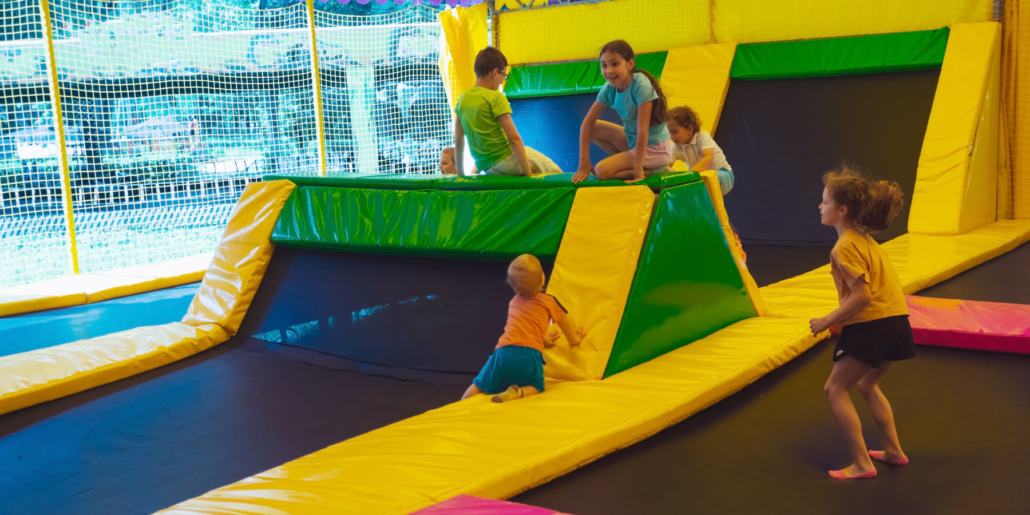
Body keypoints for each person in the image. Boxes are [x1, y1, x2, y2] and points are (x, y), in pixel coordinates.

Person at [809, 167, 913, 480]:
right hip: (898, 321)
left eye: (825, 202)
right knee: (867, 384)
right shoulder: (866, 241)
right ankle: (893, 451)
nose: (820, 206)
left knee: (835, 389)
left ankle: (861, 464)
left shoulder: (844, 246)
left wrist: (827, 320)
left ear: (842, 210)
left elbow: (862, 296)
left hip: (873, 325)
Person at [463, 255, 586, 403]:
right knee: (536, 385)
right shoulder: (549, 301)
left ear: (512, 285)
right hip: (529, 355)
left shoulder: (513, 302)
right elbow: (564, 324)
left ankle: (458, 407)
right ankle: (517, 392)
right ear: (542, 279)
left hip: (503, 353)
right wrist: (575, 340)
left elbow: (522, 327)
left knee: (478, 385)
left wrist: (542, 339)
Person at [572, 40, 672, 184]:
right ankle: (632, 162)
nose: (609, 70)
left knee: (601, 171)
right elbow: (587, 123)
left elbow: (643, 130)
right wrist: (584, 161)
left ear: (630, 64)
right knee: (593, 127)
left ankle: (654, 170)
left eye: (615, 64)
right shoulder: (609, 88)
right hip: (634, 143)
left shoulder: (641, 85)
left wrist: (637, 168)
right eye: (604, 65)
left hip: (654, 148)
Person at [454, 47, 562, 177]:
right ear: (495, 72)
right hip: (507, 161)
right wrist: (528, 173)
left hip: (487, 167)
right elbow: (514, 139)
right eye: (503, 76)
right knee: (554, 169)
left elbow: (458, 139)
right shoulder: (495, 97)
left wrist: (460, 175)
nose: (501, 81)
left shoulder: (463, 99)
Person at [668, 105, 735, 195]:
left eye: (675, 131)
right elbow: (666, 167)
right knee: (692, 185)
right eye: (668, 132)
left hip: (723, 174)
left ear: (690, 129)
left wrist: (690, 174)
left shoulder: (702, 136)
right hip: (701, 178)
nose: (671, 136)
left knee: (702, 180)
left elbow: (708, 158)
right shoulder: (676, 148)